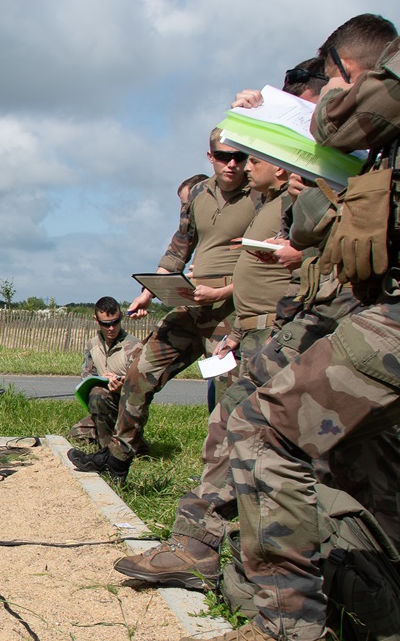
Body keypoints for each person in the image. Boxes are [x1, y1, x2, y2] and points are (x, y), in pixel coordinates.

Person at [170, 17, 400, 641]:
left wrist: (291, 116)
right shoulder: (389, 147)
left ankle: (288, 635)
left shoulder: (383, 100)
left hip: (398, 313)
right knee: (385, 486)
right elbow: (319, 216)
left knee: (265, 427)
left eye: (331, 79)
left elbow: (341, 131)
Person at [68, 129, 260, 482]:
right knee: (139, 374)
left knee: (228, 395)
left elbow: (267, 263)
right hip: (191, 306)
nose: (232, 164)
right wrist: (149, 290)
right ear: (210, 157)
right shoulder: (200, 193)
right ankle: (117, 459)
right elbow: (179, 247)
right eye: (223, 156)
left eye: (240, 157)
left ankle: (226, 482)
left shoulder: (262, 193)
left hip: (231, 313)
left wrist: (222, 293)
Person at [66, 297, 141, 453]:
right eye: (106, 324)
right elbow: (87, 376)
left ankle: (108, 453)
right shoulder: (92, 345)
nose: (112, 328)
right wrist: (99, 381)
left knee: (98, 394)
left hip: (126, 408)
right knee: (74, 435)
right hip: (102, 407)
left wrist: (120, 387)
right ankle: (119, 439)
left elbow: (141, 389)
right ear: (96, 320)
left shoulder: (134, 347)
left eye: (116, 322)